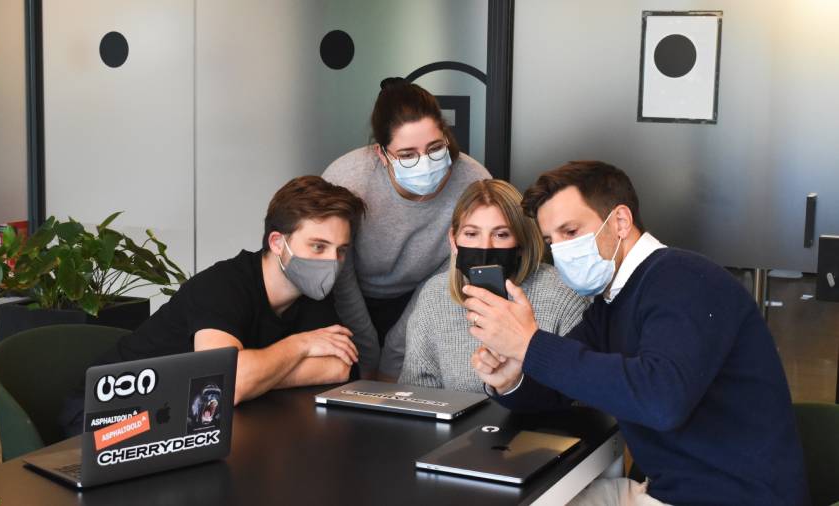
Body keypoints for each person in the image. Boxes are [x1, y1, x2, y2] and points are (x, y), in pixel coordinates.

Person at [466, 161, 808, 505]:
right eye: (551, 240)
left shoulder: (683, 279)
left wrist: (530, 344)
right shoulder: (611, 301)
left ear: (620, 221)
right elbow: (557, 386)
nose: (561, 251)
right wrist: (512, 379)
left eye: (570, 232)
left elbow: (661, 401)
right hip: (667, 491)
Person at [60, 176, 366, 435]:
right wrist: (299, 347)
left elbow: (339, 367)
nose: (331, 262)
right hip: (111, 416)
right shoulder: (223, 284)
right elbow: (223, 384)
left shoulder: (312, 293)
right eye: (318, 246)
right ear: (276, 242)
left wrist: (254, 378)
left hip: (185, 421)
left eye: (340, 251)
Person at [323, 77, 491, 379]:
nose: (425, 163)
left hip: (425, 295)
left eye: (436, 148)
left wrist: (395, 355)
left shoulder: (473, 184)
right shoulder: (348, 181)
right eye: (407, 155)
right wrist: (369, 353)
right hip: (349, 295)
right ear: (381, 154)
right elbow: (338, 272)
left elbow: (448, 274)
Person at [398, 179, 587, 393]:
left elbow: (583, 396)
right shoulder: (435, 294)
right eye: (471, 234)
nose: (485, 247)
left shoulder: (562, 294)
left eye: (501, 234)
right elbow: (416, 391)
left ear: (520, 242)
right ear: (453, 239)